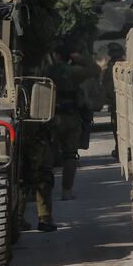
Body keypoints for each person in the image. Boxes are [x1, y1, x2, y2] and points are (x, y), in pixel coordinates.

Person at [46, 48, 99, 202]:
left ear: (56, 55)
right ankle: (66, 192)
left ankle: (41, 193)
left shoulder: (47, 70)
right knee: (70, 155)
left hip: (49, 117)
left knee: (46, 156)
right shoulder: (74, 71)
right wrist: (82, 59)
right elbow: (95, 70)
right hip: (70, 116)